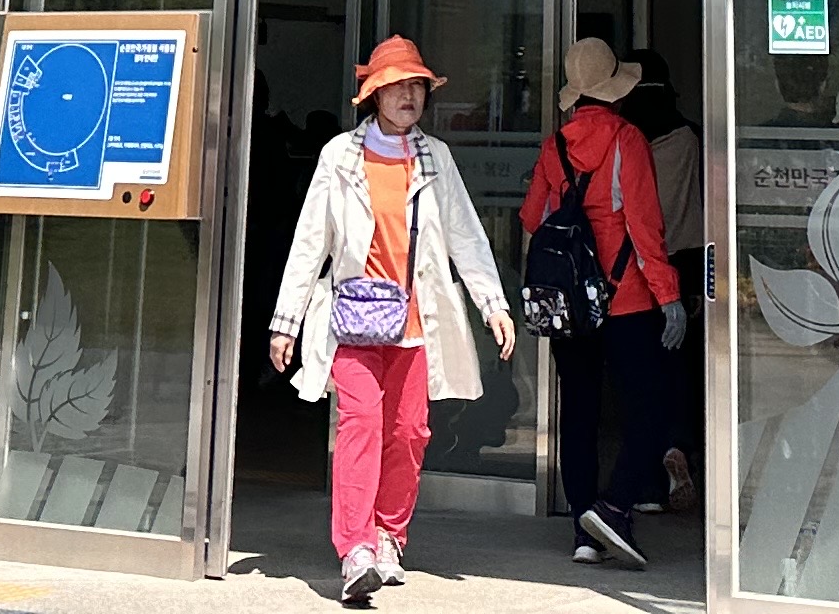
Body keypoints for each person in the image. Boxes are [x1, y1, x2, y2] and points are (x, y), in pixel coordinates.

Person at [268, 37, 513, 606]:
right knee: (360, 425)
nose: (408, 96)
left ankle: (388, 536)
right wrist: (286, 321)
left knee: (408, 432)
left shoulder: (436, 158)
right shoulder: (339, 156)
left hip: (415, 323)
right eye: (396, 86)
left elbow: (465, 236)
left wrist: (493, 305)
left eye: (416, 86)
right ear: (374, 95)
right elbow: (311, 240)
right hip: (353, 320)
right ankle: (354, 549)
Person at [519, 38, 683, 569]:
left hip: (570, 305)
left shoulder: (554, 146)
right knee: (649, 409)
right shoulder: (627, 139)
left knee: (580, 413)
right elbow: (646, 227)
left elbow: (532, 218)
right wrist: (670, 297)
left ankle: (583, 533)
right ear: (615, 90)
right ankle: (615, 508)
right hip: (626, 298)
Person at [623, 48, 702, 513]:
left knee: (640, 376)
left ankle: (649, 485)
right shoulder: (690, 138)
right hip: (687, 264)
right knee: (680, 371)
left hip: (636, 266)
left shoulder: (625, 136)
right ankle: (679, 444)